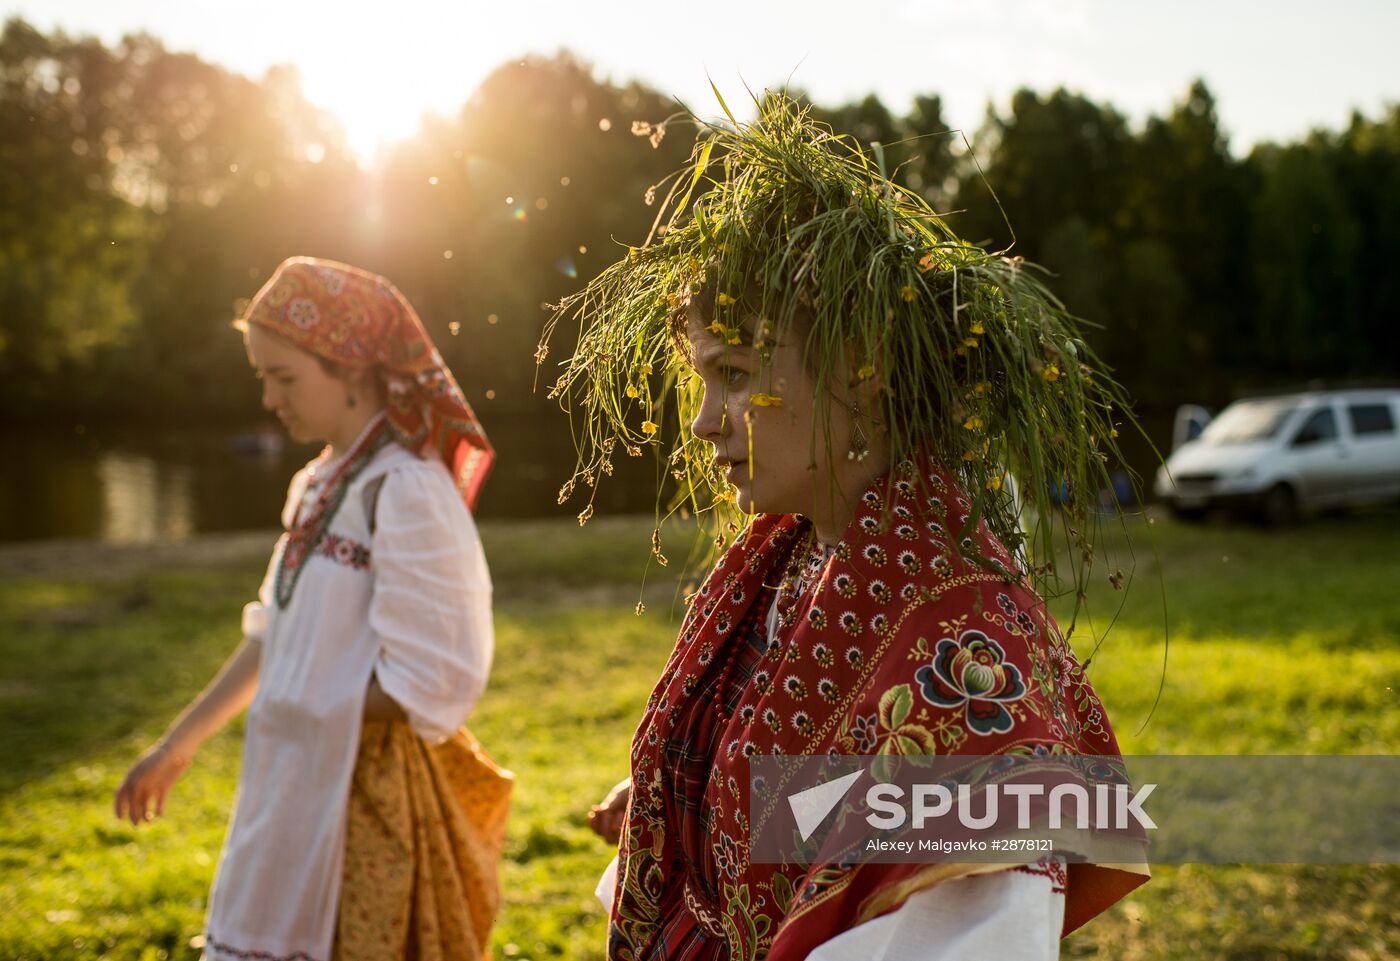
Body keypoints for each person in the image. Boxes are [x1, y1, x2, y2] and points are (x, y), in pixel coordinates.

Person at [544, 98, 1150, 959]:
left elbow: (968, 930)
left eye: (738, 372)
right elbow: (820, 794)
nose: (707, 421)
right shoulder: (793, 562)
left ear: (862, 370)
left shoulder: (969, 642)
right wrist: (691, 791)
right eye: (701, 379)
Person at [114, 257, 512, 961]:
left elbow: (438, 678)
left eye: (284, 377)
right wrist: (177, 743)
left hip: (363, 797)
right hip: (291, 778)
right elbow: (275, 633)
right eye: (262, 376)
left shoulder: (406, 490)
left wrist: (305, 698)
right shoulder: (317, 482)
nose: (268, 398)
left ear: (353, 370)